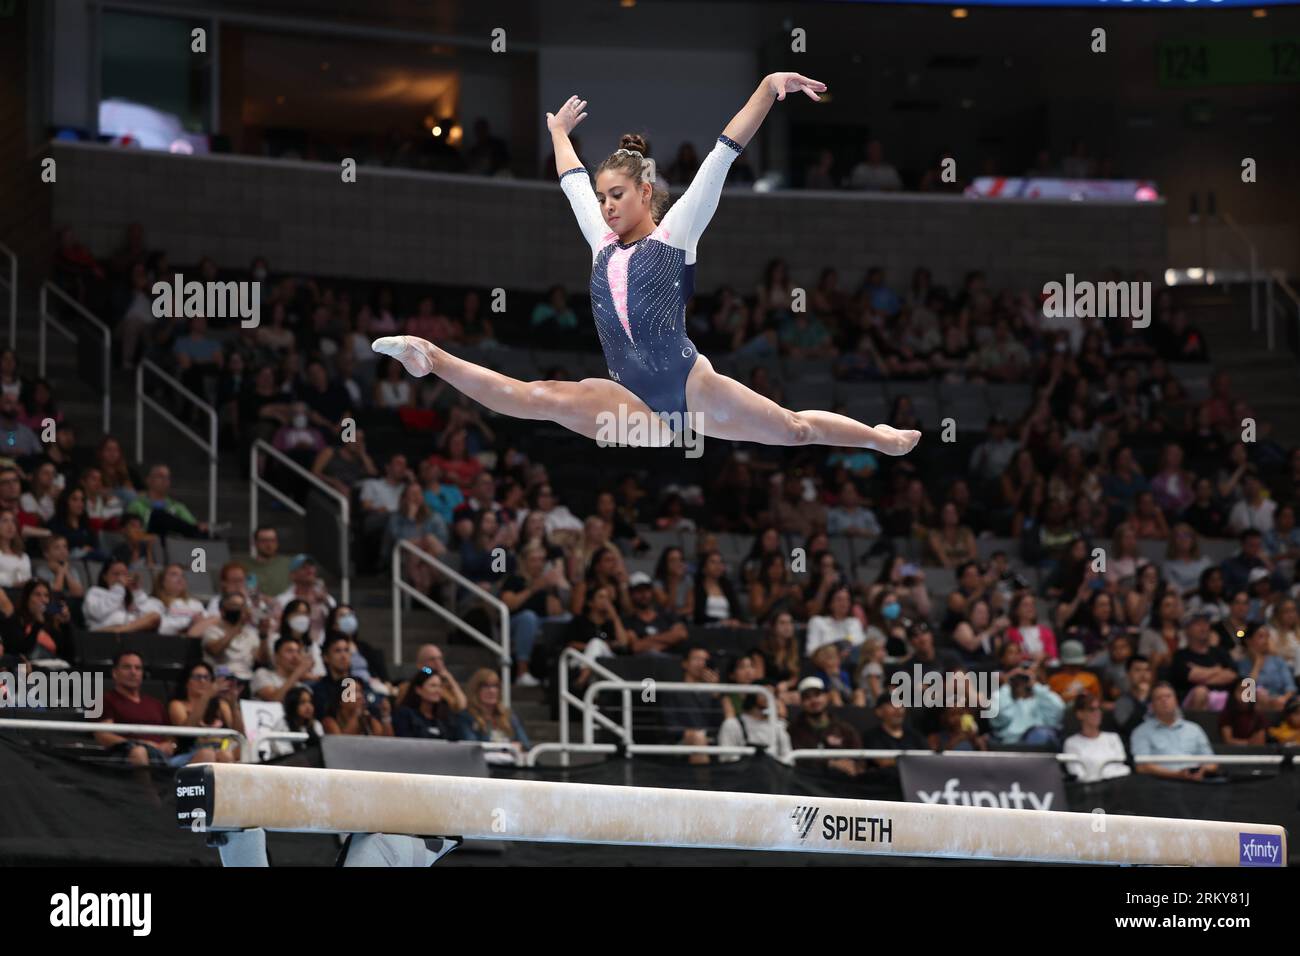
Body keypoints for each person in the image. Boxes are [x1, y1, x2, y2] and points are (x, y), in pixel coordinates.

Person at [374, 78, 921, 458]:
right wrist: (559, 135)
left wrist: (769, 86)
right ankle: (430, 356)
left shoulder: (676, 234)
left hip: (691, 389)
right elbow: (571, 183)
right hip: (634, 406)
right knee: (536, 397)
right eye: (602, 197)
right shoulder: (601, 244)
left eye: (616, 196)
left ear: (643, 192)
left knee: (795, 431)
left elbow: (723, 153)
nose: (606, 206)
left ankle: (878, 437)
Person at [95, 651, 213, 768]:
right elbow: (103, 736)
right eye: (127, 667)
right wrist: (143, 744)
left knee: (207, 754)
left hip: (164, 757)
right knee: (139, 751)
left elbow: (171, 737)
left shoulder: (155, 703)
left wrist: (171, 745)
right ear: (115, 673)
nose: (133, 672)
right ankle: (147, 787)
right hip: (128, 755)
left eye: (138, 668)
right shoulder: (103, 699)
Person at [1130, 682, 1219, 779]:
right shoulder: (1141, 732)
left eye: (1168, 696)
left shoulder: (1194, 729)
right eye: (1159, 698)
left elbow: (1212, 763)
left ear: (1176, 701)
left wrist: (1202, 771)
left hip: (1196, 783)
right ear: (1152, 705)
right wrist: (1177, 775)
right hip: (1160, 784)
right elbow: (1141, 767)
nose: (1164, 700)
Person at [787, 676, 863, 777]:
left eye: (817, 695)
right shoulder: (793, 730)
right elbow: (798, 761)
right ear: (801, 703)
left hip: (843, 782)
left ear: (826, 697)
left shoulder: (845, 729)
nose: (813, 700)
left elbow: (859, 758)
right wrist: (831, 764)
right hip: (807, 784)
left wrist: (853, 767)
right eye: (807, 697)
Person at [168, 662, 243, 763]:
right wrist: (206, 697)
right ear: (186, 681)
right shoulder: (177, 705)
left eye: (206, 677)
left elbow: (239, 735)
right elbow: (186, 732)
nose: (202, 681)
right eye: (197, 677)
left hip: (220, 751)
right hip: (188, 754)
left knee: (227, 755)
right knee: (207, 754)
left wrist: (233, 703)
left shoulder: (220, 705)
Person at [456, 668, 530, 759]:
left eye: (495, 686)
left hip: (511, 767)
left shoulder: (509, 716)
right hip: (482, 767)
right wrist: (508, 747)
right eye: (486, 686)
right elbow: (472, 747)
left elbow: (525, 745)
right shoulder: (465, 717)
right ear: (475, 690)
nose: (492, 691)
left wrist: (518, 747)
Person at [988, 662, 1066, 747]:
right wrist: (1007, 683)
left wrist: (1035, 685)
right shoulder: (1004, 697)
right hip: (1012, 745)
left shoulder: (1041, 699)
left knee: (1042, 735)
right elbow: (998, 716)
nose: (1022, 682)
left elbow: (1059, 709)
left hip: (1041, 742)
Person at [1062, 694, 1131, 782]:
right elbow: (1078, 774)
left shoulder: (1113, 738)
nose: (1097, 713)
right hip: (1089, 792)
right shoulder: (1071, 743)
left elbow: (1122, 767)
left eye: (1099, 709)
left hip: (1117, 788)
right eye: (1092, 709)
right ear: (1080, 714)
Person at [202, 591, 268, 684]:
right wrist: (238, 625)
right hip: (222, 678)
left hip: (247, 679)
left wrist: (263, 636)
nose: (240, 610)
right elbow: (215, 650)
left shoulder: (251, 633)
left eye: (242, 606)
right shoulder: (212, 631)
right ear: (222, 611)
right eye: (235, 606)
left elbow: (261, 660)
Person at [0, 578, 71, 662]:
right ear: (27, 598)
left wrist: (66, 625)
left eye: (46, 596)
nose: (43, 600)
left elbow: (69, 656)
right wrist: (37, 624)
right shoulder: (16, 619)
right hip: (30, 669)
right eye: (37, 595)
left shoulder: (50, 622)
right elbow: (20, 651)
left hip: (54, 668)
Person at [83, 560, 162, 633]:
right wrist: (119, 587)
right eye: (116, 574)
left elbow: (146, 614)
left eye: (124, 574)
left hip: (128, 632)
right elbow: (98, 613)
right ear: (104, 576)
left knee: (154, 617)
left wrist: (136, 591)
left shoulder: (126, 595)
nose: (120, 578)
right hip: (102, 634)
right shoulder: (94, 591)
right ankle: (119, 631)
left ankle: (119, 631)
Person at [717, 689, 791, 762]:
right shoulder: (732, 724)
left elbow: (787, 759)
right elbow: (727, 759)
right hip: (740, 772)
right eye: (764, 694)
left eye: (773, 696)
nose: (769, 698)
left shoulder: (779, 727)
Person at [862, 694, 929, 768]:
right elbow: (883, 762)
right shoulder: (871, 736)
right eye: (892, 705)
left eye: (901, 705)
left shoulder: (916, 736)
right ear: (879, 711)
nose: (898, 710)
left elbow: (929, 759)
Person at [393, 667, 459, 740]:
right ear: (418, 690)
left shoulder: (445, 716)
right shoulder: (405, 714)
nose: (438, 690)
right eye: (433, 686)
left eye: (440, 686)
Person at [252, 634, 316, 703]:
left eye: (298, 652)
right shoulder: (263, 674)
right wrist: (298, 672)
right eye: (289, 651)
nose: (295, 657)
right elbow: (274, 700)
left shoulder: (303, 688)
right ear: (276, 657)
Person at [266, 685, 325, 757]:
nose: (308, 707)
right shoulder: (282, 725)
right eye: (303, 702)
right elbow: (284, 755)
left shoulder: (316, 725)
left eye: (310, 702)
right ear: (292, 705)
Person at [242, 526, 292, 597]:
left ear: (277, 542)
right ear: (255, 543)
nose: (269, 544)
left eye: (272, 540)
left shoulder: (289, 564)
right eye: (264, 541)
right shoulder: (243, 567)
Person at [0, 510, 32, 587]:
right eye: (5, 521)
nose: (10, 525)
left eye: (13, 521)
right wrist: (12, 583)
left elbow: (28, 578)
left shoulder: (24, 556)